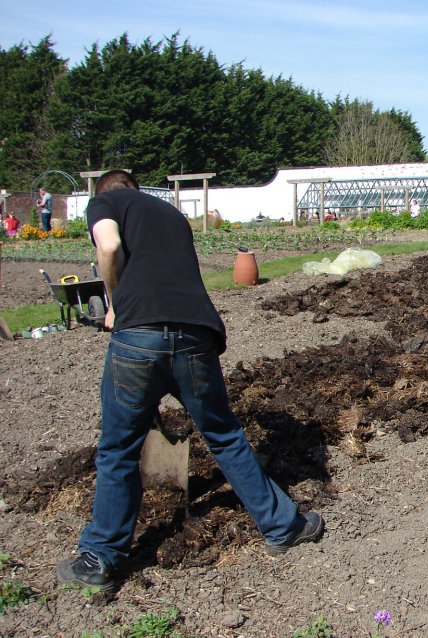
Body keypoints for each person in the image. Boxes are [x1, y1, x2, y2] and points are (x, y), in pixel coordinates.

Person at [57, 170, 323, 592]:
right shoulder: (170, 213)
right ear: (137, 189)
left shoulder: (106, 201)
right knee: (224, 435)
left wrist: (116, 301)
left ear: (105, 191)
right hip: (196, 334)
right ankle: (283, 527)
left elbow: (108, 245)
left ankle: (99, 558)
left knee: (118, 449)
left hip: (139, 338)